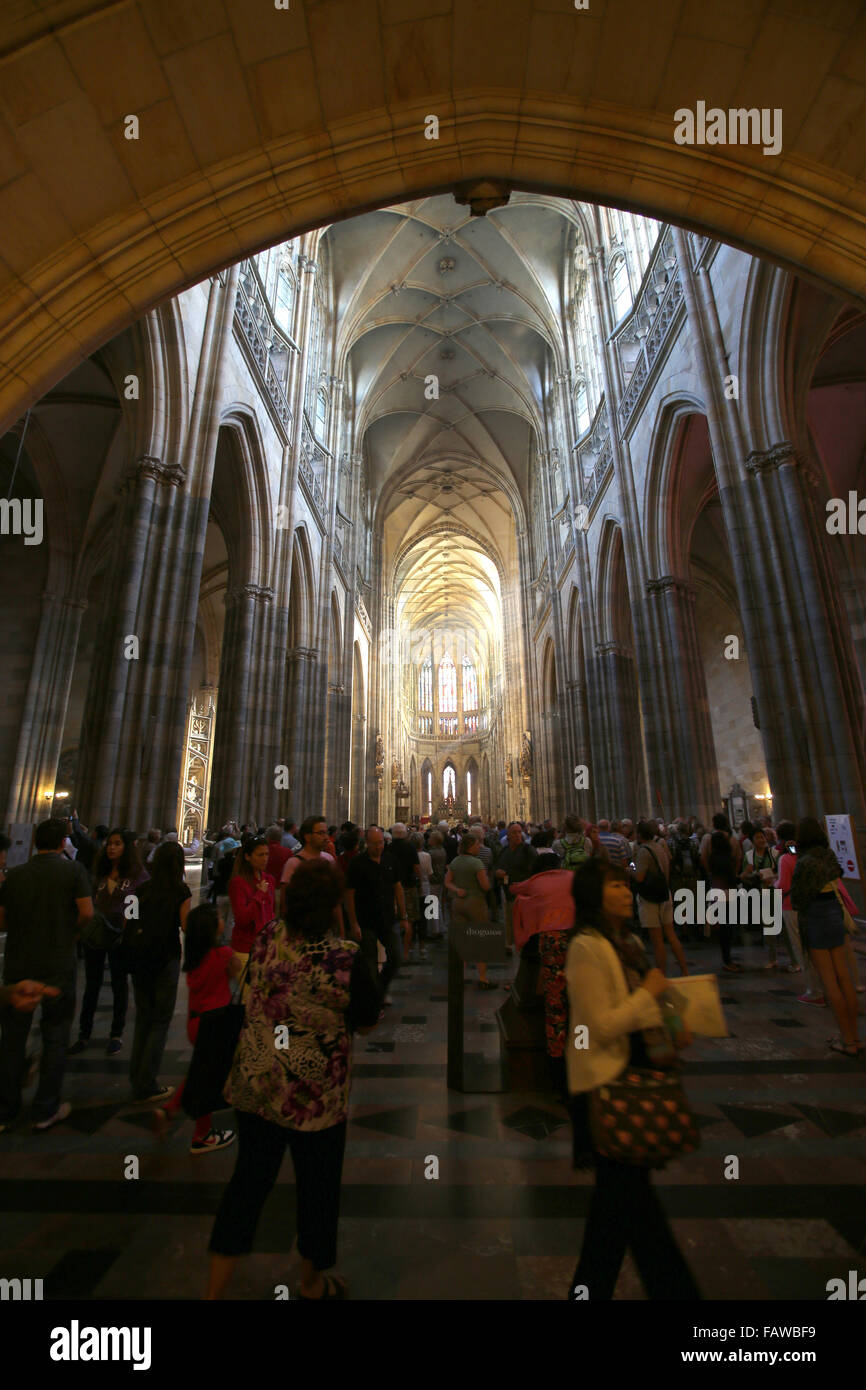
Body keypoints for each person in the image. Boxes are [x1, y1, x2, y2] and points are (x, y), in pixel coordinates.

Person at [206, 861, 380, 1298]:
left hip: (258, 1082)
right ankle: (311, 1284)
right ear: (333, 906)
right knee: (318, 1190)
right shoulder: (345, 958)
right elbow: (367, 1020)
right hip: (314, 1097)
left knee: (247, 1184)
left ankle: (213, 1291)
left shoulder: (268, 936)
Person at [565, 858, 700, 1300]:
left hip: (630, 1081)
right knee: (631, 1216)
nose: (627, 893)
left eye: (626, 885)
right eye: (616, 886)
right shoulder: (587, 947)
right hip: (607, 1088)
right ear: (594, 895)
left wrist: (675, 1020)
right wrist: (648, 995)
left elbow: (646, 1001)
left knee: (621, 1217)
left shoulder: (627, 943)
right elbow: (600, 1027)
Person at [0, 818, 94, 1133]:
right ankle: (45, 1108)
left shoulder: (15, 875)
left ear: (34, 842)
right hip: (57, 962)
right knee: (55, 1036)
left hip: (18, 963)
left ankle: (6, 1109)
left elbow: (1, 920)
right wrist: (69, 933)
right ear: (62, 843)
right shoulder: (73, 871)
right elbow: (87, 913)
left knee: (12, 1039)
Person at [154, 903, 242, 1152]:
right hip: (216, 1022)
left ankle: (170, 1109)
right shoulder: (222, 954)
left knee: (200, 1072)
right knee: (207, 1079)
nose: (223, 920)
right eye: (219, 918)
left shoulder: (194, 958)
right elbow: (238, 972)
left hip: (195, 1022)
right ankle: (202, 1135)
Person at [69, 827, 149, 1057]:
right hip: (96, 936)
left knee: (119, 984)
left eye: (117, 844)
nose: (111, 848)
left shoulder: (137, 875)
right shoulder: (100, 872)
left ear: (126, 847)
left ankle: (116, 1034)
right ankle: (84, 1033)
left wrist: (129, 931)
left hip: (120, 938)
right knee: (91, 986)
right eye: (110, 843)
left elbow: (135, 909)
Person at [127, 841, 191, 1104]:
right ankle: (147, 1083)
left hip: (140, 959)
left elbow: (128, 920)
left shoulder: (140, 889)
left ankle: (136, 1077)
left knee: (143, 1018)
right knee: (160, 1020)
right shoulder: (181, 891)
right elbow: (186, 926)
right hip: (166, 957)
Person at [790, 818, 860, 1057]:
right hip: (834, 912)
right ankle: (854, 1036)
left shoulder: (804, 862)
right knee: (844, 977)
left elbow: (798, 898)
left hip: (816, 916)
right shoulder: (828, 855)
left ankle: (847, 1040)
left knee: (829, 981)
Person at [509, 854, 575, 1095]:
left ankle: (558, 1074)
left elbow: (514, 889)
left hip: (551, 942)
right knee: (579, 1004)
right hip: (578, 939)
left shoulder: (536, 881)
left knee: (556, 1007)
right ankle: (581, 1058)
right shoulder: (573, 877)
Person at [345, 827, 404, 1006]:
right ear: (366, 843)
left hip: (388, 918)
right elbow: (349, 894)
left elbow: (398, 887)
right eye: (374, 844)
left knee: (396, 957)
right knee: (370, 962)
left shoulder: (390, 859)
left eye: (381, 843)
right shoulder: (357, 863)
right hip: (365, 920)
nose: (378, 847)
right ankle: (375, 997)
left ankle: (379, 988)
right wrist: (353, 923)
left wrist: (403, 916)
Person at [632, 820, 688, 977]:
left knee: (657, 941)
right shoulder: (660, 847)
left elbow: (640, 877)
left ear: (640, 835)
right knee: (671, 935)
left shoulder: (644, 851)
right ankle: (684, 970)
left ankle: (662, 975)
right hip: (664, 893)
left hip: (650, 897)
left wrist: (630, 871)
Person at [773, 820, 820, 1003]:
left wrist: (774, 883)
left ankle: (813, 990)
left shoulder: (785, 859)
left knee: (800, 947)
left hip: (791, 904)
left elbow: (784, 885)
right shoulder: (809, 855)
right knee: (815, 946)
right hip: (811, 904)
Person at [446, 833, 496, 990]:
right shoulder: (477, 863)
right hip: (475, 903)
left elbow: (447, 882)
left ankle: (459, 977)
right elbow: (485, 886)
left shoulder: (455, 861)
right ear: (469, 847)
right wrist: (490, 881)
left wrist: (457, 890)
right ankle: (483, 978)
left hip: (458, 903)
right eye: (476, 845)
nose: (479, 847)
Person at [229, 834, 276, 977]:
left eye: (266, 854)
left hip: (267, 946)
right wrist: (259, 895)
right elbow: (242, 918)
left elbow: (271, 912)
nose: (265, 859)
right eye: (260, 855)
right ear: (248, 856)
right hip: (246, 947)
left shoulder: (269, 880)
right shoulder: (238, 883)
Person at [279, 815, 336, 918]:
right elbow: (285, 902)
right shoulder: (293, 863)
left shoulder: (329, 859)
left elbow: (335, 899)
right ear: (307, 837)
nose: (326, 838)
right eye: (321, 833)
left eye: (326, 833)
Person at [496, 822, 539, 956]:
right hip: (508, 891)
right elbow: (498, 865)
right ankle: (509, 944)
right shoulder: (504, 851)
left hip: (524, 893)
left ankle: (525, 945)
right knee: (509, 919)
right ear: (508, 835)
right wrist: (498, 873)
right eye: (514, 832)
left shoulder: (528, 850)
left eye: (519, 832)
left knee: (523, 921)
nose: (517, 835)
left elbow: (533, 869)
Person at [388, 824, 421, 960]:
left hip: (391, 887)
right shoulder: (410, 847)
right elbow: (416, 867)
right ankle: (406, 952)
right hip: (408, 886)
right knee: (409, 919)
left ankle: (393, 951)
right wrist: (418, 879)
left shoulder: (388, 847)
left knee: (392, 919)